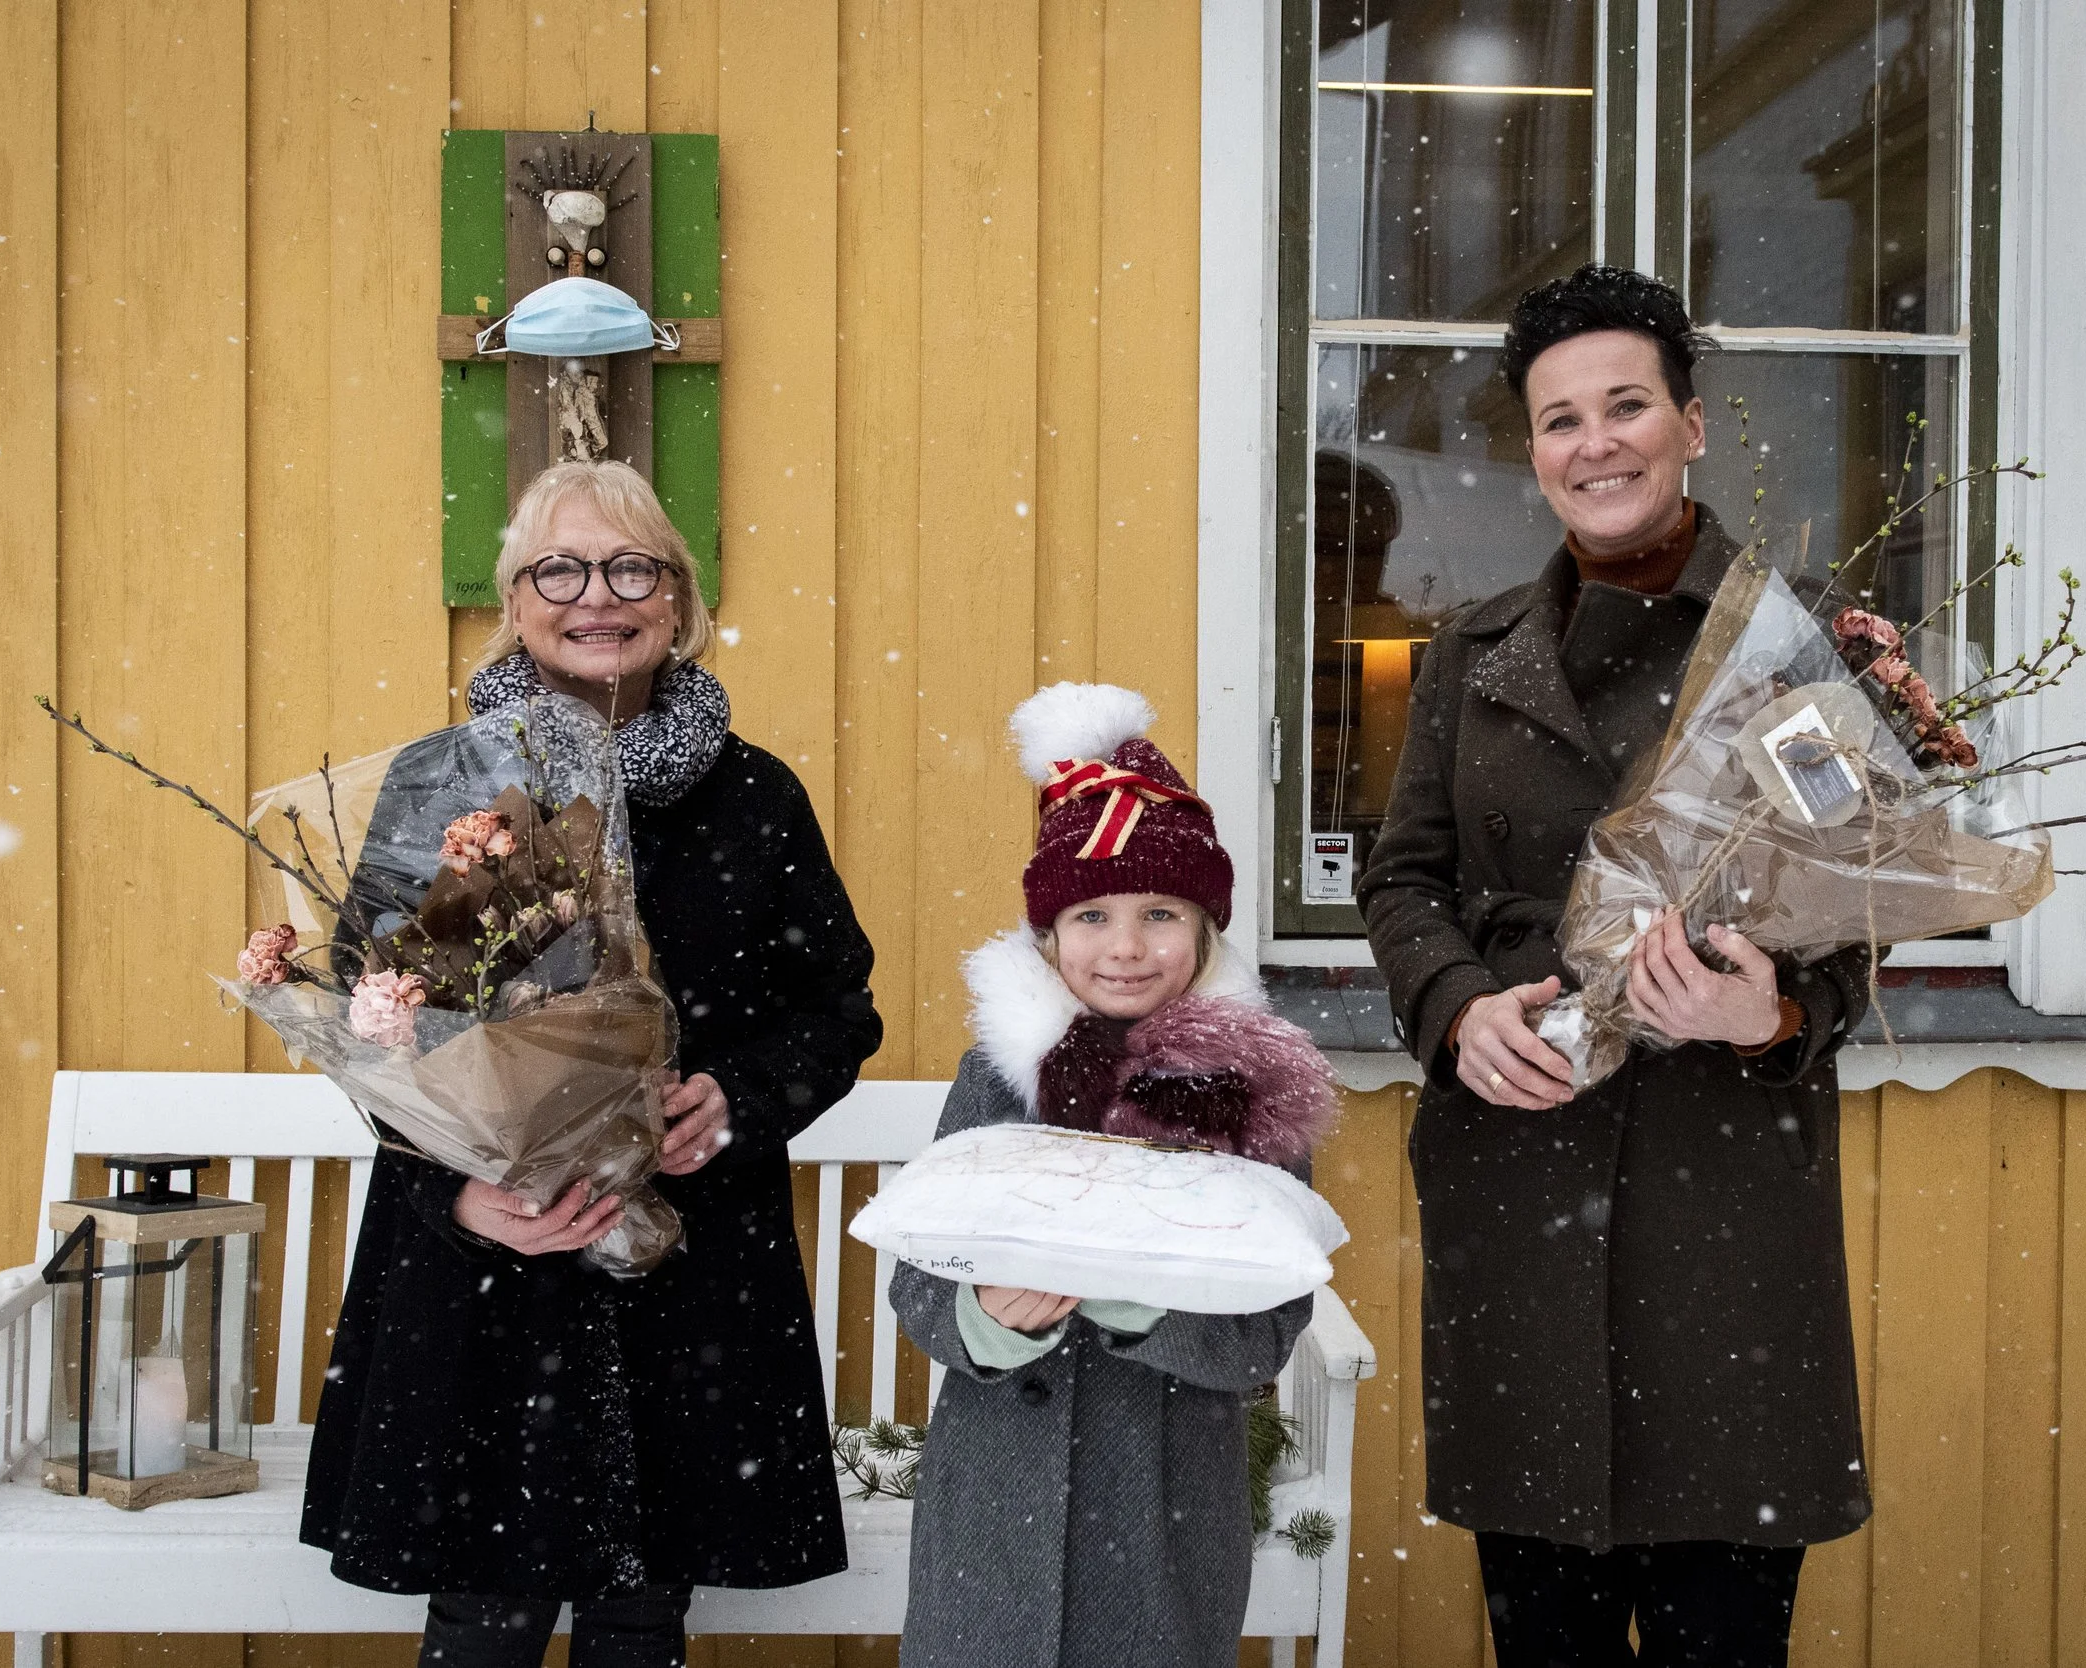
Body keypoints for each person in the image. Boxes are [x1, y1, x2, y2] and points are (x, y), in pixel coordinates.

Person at [1356, 264, 1876, 1668]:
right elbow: (1402, 881)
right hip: (1520, 1176)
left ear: (1691, 423)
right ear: (1533, 451)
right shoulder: (1472, 656)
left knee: (1721, 1623)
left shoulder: (1793, 643)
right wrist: (1458, 1011)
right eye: (1560, 419)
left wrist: (1767, 1011)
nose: (1597, 444)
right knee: (1548, 1629)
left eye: (1627, 405)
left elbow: (1862, 904)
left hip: (1724, 1195)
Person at [300, 460, 884, 1668]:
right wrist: (456, 1189)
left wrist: (742, 1098)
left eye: (633, 568)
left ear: (679, 600)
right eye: (557, 570)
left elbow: (836, 1010)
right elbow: (372, 1020)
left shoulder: (755, 799)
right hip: (484, 1269)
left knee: (641, 1608)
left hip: (686, 1267)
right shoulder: (443, 785)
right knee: (481, 1613)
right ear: (514, 602)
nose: (596, 597)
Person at [890, 682, 1334, 1668]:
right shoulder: (995, 1081)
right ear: (1048, 934)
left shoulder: (1250, 1091)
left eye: (1160, 913)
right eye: (1090, 914)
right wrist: (983, 1317)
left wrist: (1139, 1302)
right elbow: (917, 1282)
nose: (1125, 947)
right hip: (990, 1524)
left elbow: (1262, 1333)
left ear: (1206, 927)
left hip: (1164, 1516)